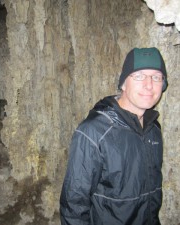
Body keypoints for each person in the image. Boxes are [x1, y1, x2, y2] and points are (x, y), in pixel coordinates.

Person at [60, 47, 168, 225]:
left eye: (156, 77)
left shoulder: (153, 129)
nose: (149, 85)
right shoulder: (93, 132)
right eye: (139, 76)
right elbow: (74, 205)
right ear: (124, 84)